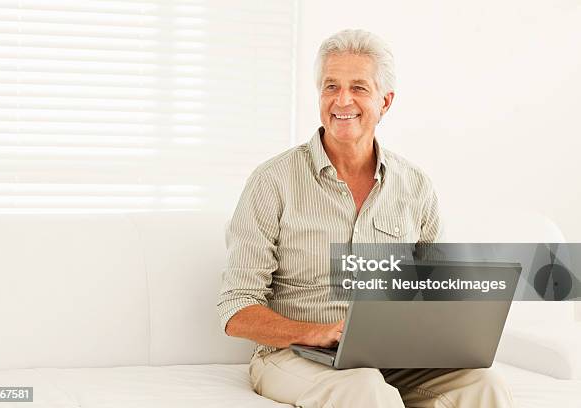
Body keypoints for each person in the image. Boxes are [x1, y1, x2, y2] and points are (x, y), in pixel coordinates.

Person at [217, 29, 514, 408]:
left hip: (391, 359)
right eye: (330, 87)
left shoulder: (415, 186)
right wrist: (315, 332)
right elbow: (235, 309)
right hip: (294, 355)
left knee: (484, 382)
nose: (342, 100)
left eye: (358, 87)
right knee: (362, 389)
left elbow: (436, 295)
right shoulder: (272, 181)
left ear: (385, 101)